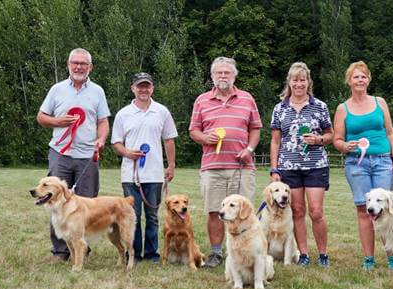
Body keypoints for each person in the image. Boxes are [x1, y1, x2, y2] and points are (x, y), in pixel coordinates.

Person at [37, 48, 110, 262]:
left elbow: (103, 121)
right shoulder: (57, 89)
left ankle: (82, 250)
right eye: (75, 63)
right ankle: (60, 251)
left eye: (83, 64)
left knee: (86, 203)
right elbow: (41, 117)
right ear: (68, 65)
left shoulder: (98, 91)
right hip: (60, 153)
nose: (79, 67)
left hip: (87, 155)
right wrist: (57, 122)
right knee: (55, 202)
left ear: (90, 67)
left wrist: (102, 139)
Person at [189, 56, 262, 268]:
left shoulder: (247, 98)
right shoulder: (202, 100)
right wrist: (204, 138)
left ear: (234, 76)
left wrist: (249, 149)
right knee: (214, 211)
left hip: (242, 166)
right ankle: (216, 252)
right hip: (212, 167)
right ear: (212, 76)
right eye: (219, 73)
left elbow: (255, 128)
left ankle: (244, 252)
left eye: (227, 73)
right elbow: (193, 130)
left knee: (244, 212)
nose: (223, 76)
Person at [332, 61, 393, 271]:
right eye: (356, 77)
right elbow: (337, 140)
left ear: (369, 79)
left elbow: (390, 133)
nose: (360, 80)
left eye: (363, 76)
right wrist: (345, 146)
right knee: (364, 210)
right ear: (349, 81)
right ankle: (369, 259)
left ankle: (392, 257)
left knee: (385, 210)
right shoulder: (342, 109)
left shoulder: (380, 102)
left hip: (382, 161)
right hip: (356, 164)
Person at [269, 62, 334, 267]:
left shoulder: (320, 106)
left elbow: (331, 135)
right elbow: (275, 141)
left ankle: (323, 254)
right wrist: (274, 168)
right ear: (289, 82)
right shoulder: (280, 108)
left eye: (302, 80)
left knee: (316, 211)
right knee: (297, 211)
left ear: (308, 82)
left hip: (316, 165)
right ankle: (303, 253)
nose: (299, 84)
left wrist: (319, 140)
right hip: (289, 167)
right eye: (295, 80)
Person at [111, 72, 177, 263]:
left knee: (152, 217)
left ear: (152, 88)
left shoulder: (162, 111)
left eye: (147, 86)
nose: (143, 89)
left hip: (155, 174)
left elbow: (169, 139)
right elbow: (116, 143)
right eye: (140, 86)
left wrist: (171, 165)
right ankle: (134, 253)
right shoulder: (123, 114)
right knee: (132, 216)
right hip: (130, 175)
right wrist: (127, 153)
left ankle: (151, 254)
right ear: (133, 88)